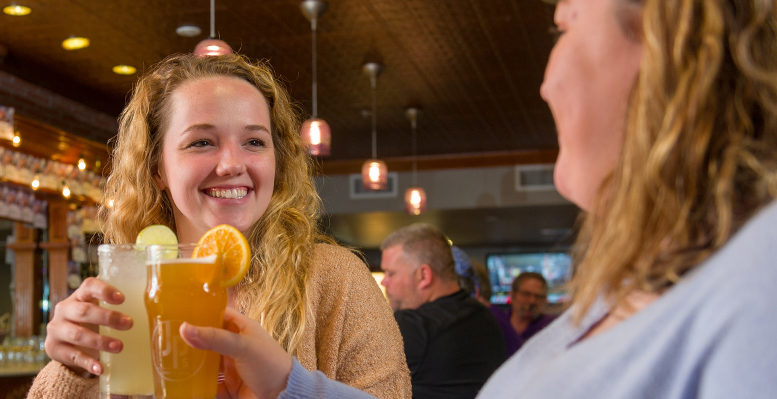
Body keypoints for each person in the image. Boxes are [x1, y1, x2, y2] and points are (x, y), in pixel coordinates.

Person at [175, 0, 777, 397]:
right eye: (200, 141)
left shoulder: (758, 290)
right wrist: (288, 384)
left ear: (670, 46)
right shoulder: (643, 290)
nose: (544, 82)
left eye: (563, 27)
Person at [26, 53, 410, 398]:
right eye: (202, 142)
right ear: (156, 167)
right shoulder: (131, 287)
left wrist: (286, 387)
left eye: (255, 142)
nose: (231, 164)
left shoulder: (336, 281)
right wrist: (75, 369)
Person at [379, 224, 506, 399]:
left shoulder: (413, 324)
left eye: (391, 273)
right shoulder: (485, 317)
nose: (384, 282)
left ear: (424, 275)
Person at [488, 272, 555, 357]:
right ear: (512, 295)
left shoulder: (550, 326)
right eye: (526, 294)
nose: (532, 301)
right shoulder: (495, 322)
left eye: (538, 296)